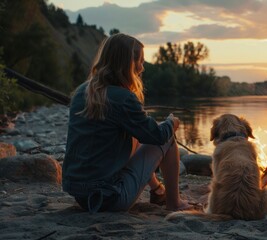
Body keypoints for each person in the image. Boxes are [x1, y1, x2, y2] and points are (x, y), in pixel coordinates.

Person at [62, 33, 190, 213]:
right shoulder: (123, 98)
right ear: (129, 63)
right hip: (110, 198)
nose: (142, 68)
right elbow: (158, 136)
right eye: (141, 62)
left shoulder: (83, 91)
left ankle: (157, 190)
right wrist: (171, 122)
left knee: (135, 137)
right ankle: (174, 203)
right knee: (167, 138)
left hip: (82, 195)